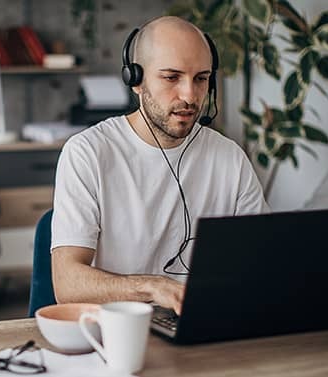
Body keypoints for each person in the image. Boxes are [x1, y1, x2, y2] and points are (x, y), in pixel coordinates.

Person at [50, 16, 269, 315]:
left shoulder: (229, 156)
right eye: (171, 77)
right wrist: (153, 287)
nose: (190, 95)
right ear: (136, 80)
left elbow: (262, 260)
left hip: (205, 323)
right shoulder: (88, 152)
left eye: (201, 78)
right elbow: (67, 285)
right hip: (119, 333)